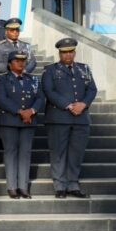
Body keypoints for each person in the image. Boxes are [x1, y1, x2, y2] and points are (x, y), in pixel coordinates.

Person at [42, 38, 97, 199]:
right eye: (64, 52)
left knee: (76, 153)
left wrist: (83, 104)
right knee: (58, 153)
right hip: (59, 118)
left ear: (75, 52)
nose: (68, 55)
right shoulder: (50, 70)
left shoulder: (84, 69)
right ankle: (60, 186)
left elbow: (92, 89)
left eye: (71, 52)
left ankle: (73, 184)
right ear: (59, 53)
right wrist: (69, 105)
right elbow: (49, 91)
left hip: (81, 118)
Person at [0, 53, 45, 199]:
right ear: (10, 64)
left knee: (25, 154)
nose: (21, 63)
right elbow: (1, 99)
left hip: (29, 121)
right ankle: (12, 187)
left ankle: (23, 186)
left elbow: (40, 97)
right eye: (17, 61)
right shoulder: (1, 79)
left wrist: (31, 111)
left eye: (23, 61)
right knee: (11, 153)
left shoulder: (33, 79)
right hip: (9, 121)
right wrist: (20, 112)